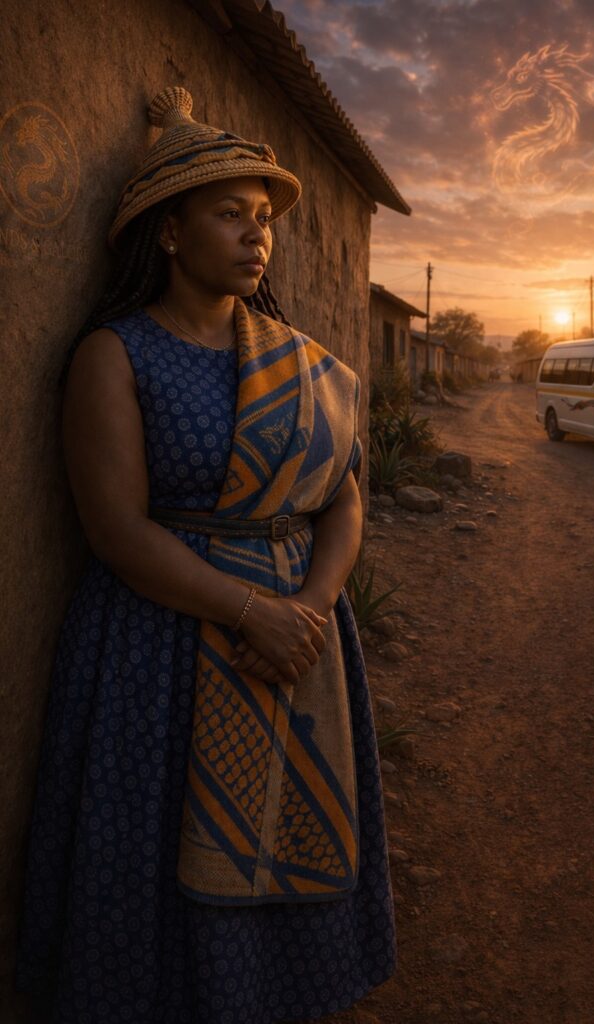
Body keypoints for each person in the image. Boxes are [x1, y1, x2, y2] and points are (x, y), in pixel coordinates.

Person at [15, 86, 396, 1024]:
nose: (255, 234)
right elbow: (116, 530)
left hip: (297, 638)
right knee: (154, 840)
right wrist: (247, 611)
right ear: (170, 231)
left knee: (286, 820)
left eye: (262, 219)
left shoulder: (297, 362)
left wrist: (307, 605)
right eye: (229, 213)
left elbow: (342, 501)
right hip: (166, 642)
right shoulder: (116, 355)